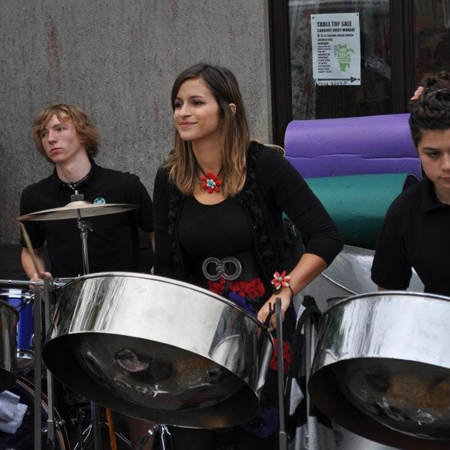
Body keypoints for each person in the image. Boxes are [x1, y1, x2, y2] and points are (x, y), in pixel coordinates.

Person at [153, 63, 343, 449]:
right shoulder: (170, 178)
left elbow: (325, 236)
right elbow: (169, 267)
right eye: (177, 103)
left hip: (263, 325)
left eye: (196, 102)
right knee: (193, 439)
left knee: (253, 438)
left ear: (229, 109)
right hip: (199, 331)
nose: (183, 113)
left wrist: (286, 291)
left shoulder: (265, 166)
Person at [19, 104, 155, 449]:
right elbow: (30, 249)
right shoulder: (35, 196)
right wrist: (36, 274)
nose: (51, 138)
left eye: (60, 129)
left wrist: (156, 273)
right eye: (45, 134)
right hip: (69, 307)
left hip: (126, 305)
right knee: (67, 389)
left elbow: (158, 233)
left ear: (82, 134)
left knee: (137, 392)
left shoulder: (124, 185)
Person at [371, 71, 450, 296]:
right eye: (433, 154)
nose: (447, 165)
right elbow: (389, 300)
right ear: (417, 151)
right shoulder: (404, 212)